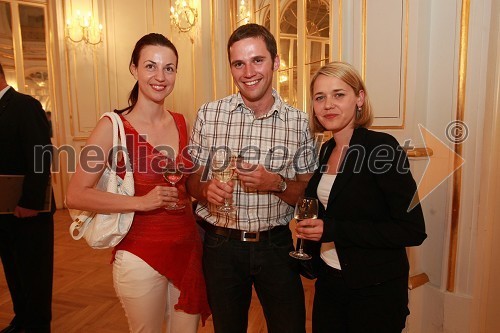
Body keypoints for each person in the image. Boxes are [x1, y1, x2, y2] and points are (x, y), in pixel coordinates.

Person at [66, 33, 210, 333]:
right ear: (134, 69)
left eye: (169, 68)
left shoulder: (183, 122)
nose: (160, 76)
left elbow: (190, 185)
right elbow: (75, 195)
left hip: (187, 249)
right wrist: (141, 202)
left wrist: (210, 188)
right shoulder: (112, 127)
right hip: (139, 254)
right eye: (150, 66)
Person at [186, 23, 317, 333]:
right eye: (238, 63)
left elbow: (308, 194)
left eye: (257, 60)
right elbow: (191, 181)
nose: (248, 72)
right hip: (221, 247)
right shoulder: (210, 114)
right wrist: (205, 190)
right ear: (231, 68)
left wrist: (277, 184)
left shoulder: (298, 122)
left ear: (275, 61)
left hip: (277, 247)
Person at [297, 61, 427, 333]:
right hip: (330, 281)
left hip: (374, 290)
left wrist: (332, 229)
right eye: (320, 97)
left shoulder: (382, 148)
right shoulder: (327, 149)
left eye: (338, 94)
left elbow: (412, 230)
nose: (328, 104)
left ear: (360, 98)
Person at [0, 62, 54, 333]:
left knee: (34, 273)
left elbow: (41, 154)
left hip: (29, 210)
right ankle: (21, 319)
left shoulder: (24, 105)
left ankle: (37, 326)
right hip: (3, 210)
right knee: (13, 270)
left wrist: (30, 202)